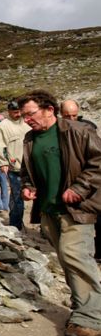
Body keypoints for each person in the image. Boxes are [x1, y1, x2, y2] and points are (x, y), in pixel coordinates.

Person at [18, 90, 101, 336]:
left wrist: (79, 188)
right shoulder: (31, 139)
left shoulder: (78, 131)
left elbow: (98, 162)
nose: (27, 120)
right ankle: (82, 308)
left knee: (74, 256)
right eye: (23, 116)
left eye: (30, 114)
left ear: (49, 110)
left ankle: (90, 319)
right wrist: (28, 185)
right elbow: (27, 170)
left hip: (78, 208)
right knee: (67, 260)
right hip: (49, 209)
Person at [60, 99, 100, 261]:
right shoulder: (58, 132)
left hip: (91, 182)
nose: (71, 119)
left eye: (74, 115)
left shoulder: (88, 128)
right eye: (67, 116)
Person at [0, 100, 31, 229]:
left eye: (20, 111)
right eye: (15, 112)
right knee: (17, 197)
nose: (18, 114)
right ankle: (16, 225)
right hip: (16, 168)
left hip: (33, 167)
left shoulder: (28, 122)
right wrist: (3, 162)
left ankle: (44, 227)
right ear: (9, 111)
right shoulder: (3, 126)